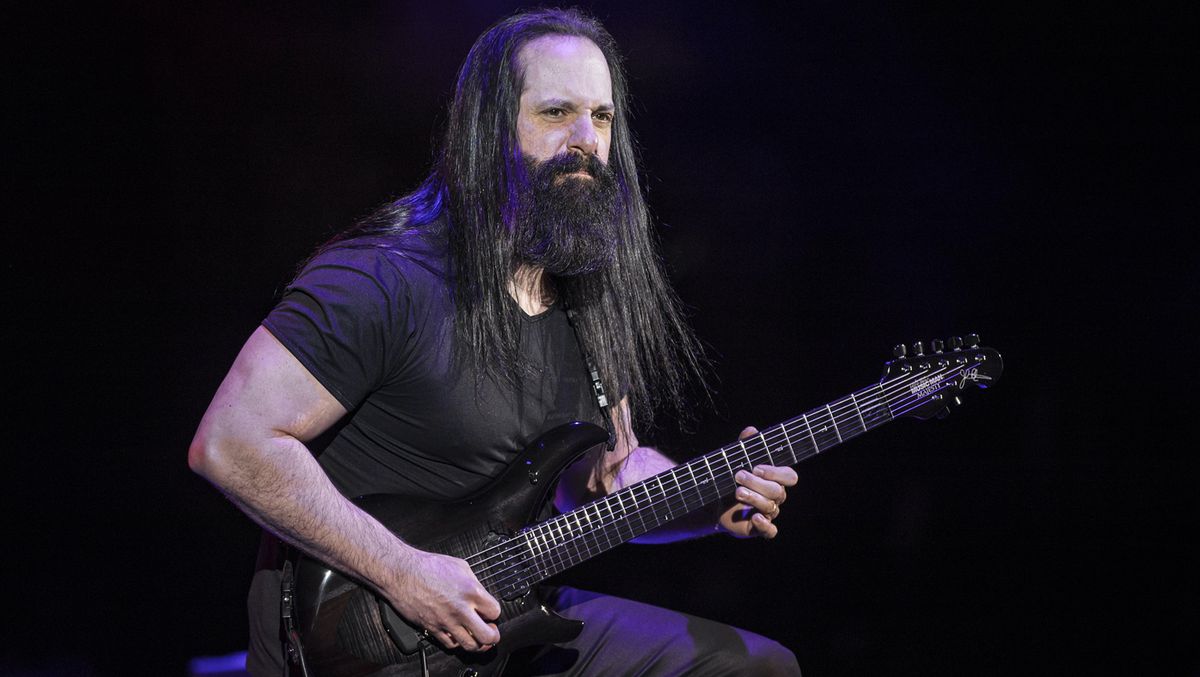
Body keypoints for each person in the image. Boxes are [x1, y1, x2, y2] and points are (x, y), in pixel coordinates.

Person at [189, 8, 801, 676]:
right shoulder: (383, 276)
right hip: (362, 641)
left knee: (750, 665)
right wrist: (404, 573)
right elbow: (231, 441)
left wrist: (707, 498)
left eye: (601, 117)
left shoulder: (589, 297)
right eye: (556, 112)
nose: (585, 140)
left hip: (503, 622)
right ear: (488, 132)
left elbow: (600, 481)